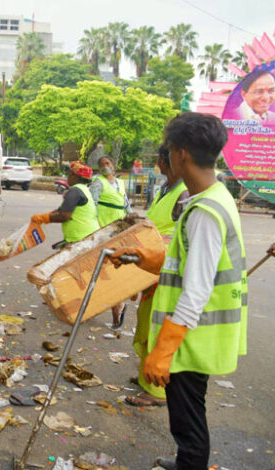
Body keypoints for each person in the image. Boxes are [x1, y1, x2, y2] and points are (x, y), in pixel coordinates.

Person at [109, 113, 247, 470]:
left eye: (169, 150)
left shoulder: (204, 212)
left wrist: (162, 352)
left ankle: (190, 465)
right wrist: (146, 258)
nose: (167, 158)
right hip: (195, 334)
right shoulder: (214, 196)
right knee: (188, 412)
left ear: (182, 154)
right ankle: (187, 462)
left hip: (191, 336)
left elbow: (197, 289)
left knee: (188, 423)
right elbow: (189, 265)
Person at [124, 145, 188, 407]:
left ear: (166, 159)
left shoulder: (184, 193)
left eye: (158, 159)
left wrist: (154, 244)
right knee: (145, 323)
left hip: (166, 272)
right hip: (152, 269)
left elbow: (182, 236)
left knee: (156, 327)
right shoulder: (166, 189)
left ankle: (157, 391)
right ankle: (145, 376)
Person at [90, 155, 131, 328]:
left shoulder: (120, 183)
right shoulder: (98, 182)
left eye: (108, 163)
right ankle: (115, 305)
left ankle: (118, 305)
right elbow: (93, 205)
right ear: (99, 168)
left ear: (114, 165)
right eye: (103, 164)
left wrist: (130, 220)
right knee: (103, 268)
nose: (106, 166)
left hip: (120, 231)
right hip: (104, 230)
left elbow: (126, 203)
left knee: (115, 267)